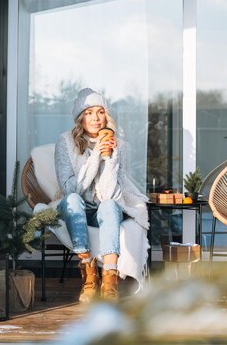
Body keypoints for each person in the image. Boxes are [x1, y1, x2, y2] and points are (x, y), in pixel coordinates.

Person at [54, 88, 148, 302]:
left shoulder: (118, 144)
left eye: (100, 112)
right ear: (80, 117)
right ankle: (89, 274)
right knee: (73, 200)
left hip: (102, 210)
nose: (95, 118)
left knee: (110, 205)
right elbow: (71, 189)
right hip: (76, 208)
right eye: (88, 113)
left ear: (107, 116)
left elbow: (109, 194)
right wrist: (95, 156)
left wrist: (110, 157)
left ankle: (109, 281)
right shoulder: (66, 142)